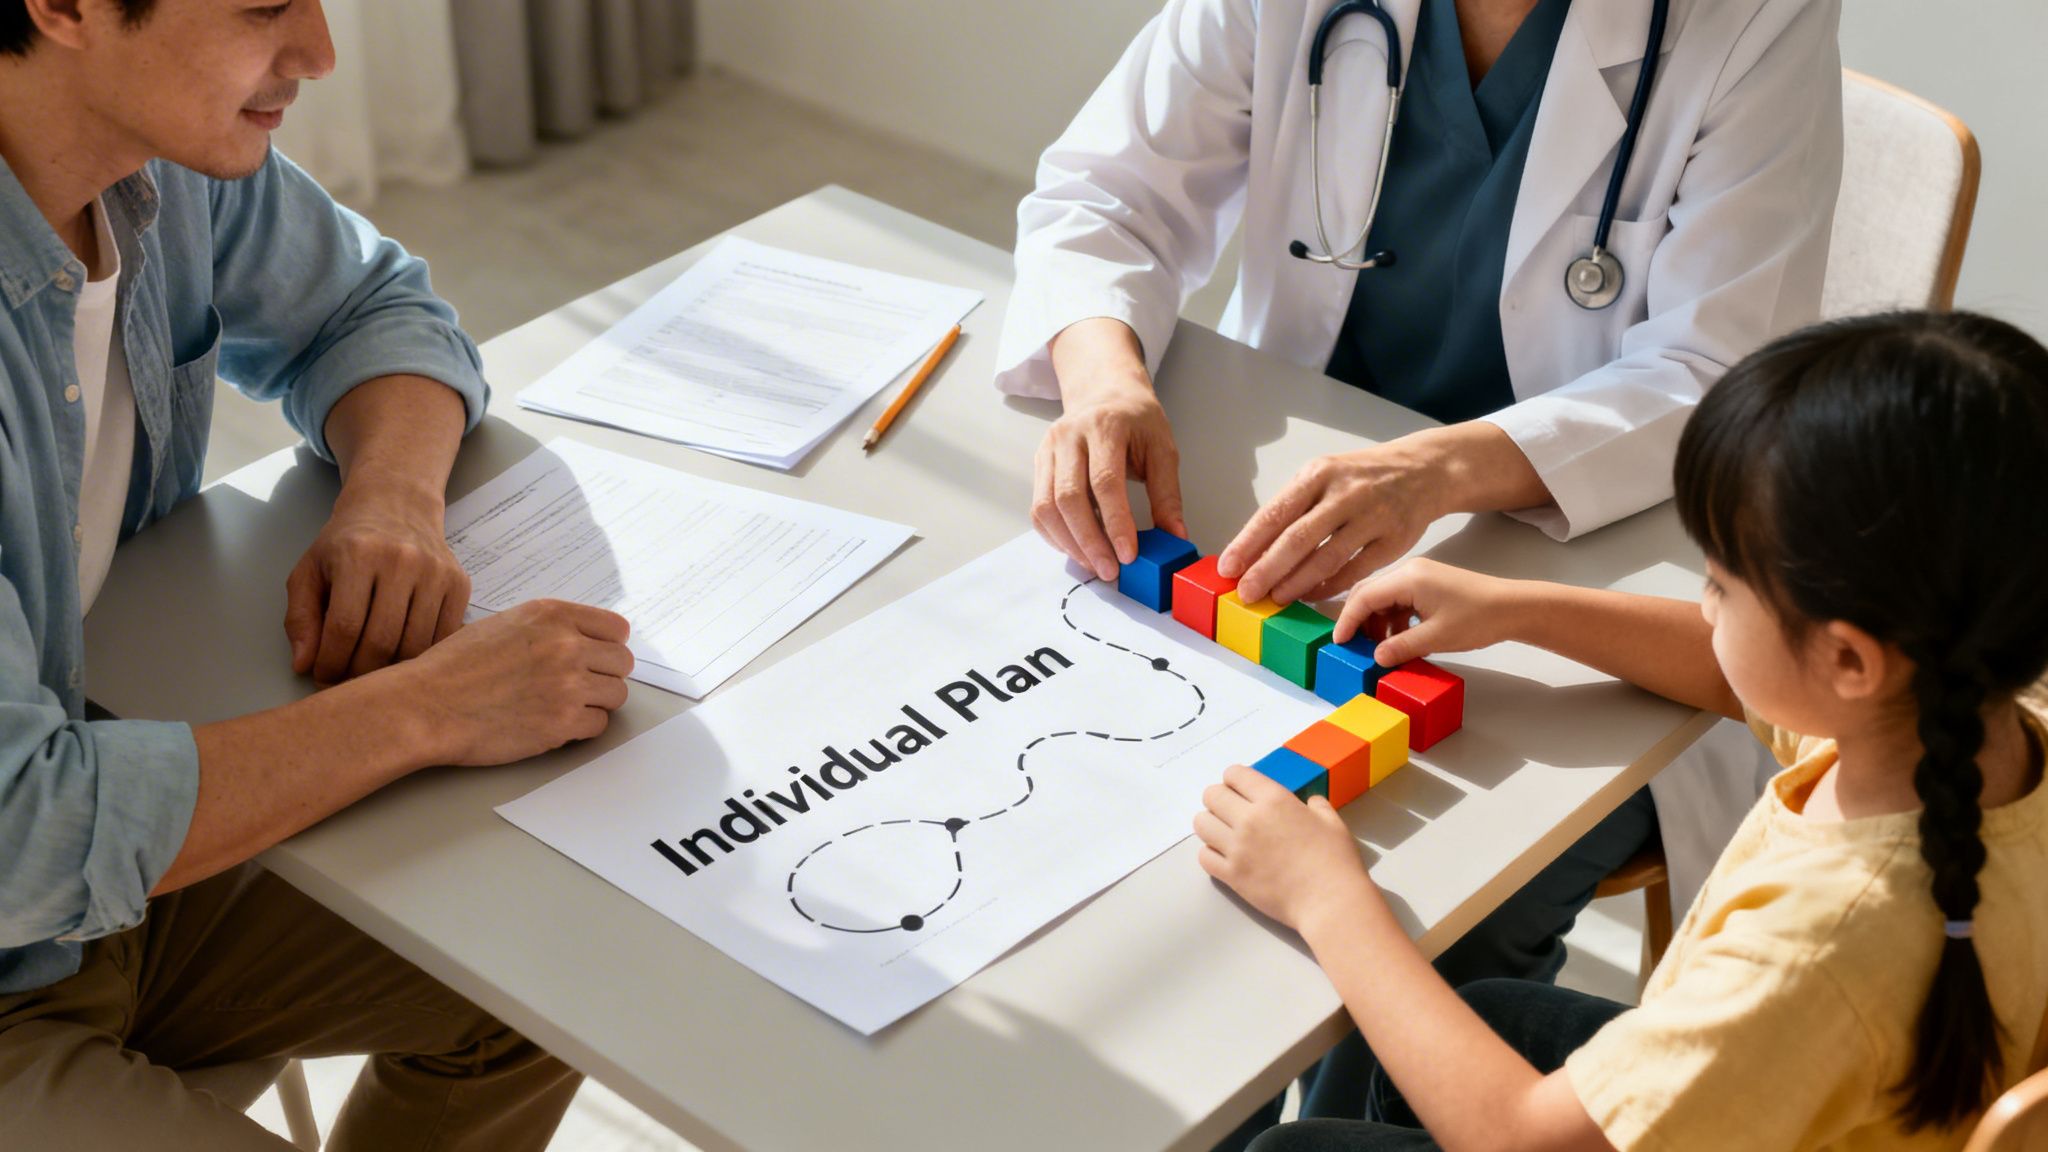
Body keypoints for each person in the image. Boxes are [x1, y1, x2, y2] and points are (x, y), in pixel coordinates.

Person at [1001, 6, 1844, 1119]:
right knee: (1167, 861)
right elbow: (1105, 193)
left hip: (1596, 582)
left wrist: (1436, 471)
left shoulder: (1749, 17)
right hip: (1297, 522)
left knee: (1453, 899)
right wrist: (1105, 377)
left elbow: (1718, 372)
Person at [0, 1, 634, 1147]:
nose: (320, 52)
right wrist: (428, 709)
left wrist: (390, 497)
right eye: (261, 6)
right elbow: (17, 831)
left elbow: (371, 305)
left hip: (109, 878)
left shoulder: (159, 160)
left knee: (550, 981)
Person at [1195, 309, 2048, 1150]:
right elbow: (1733, 669)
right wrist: (1520, 609)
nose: (1704, 606)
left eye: (1717, 583)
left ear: (1850, 660)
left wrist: (1327, 897)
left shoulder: (1815, 951)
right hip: (1833, 1087)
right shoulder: (1947, 714)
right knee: (1488, 1014)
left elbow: (1519, 1136)